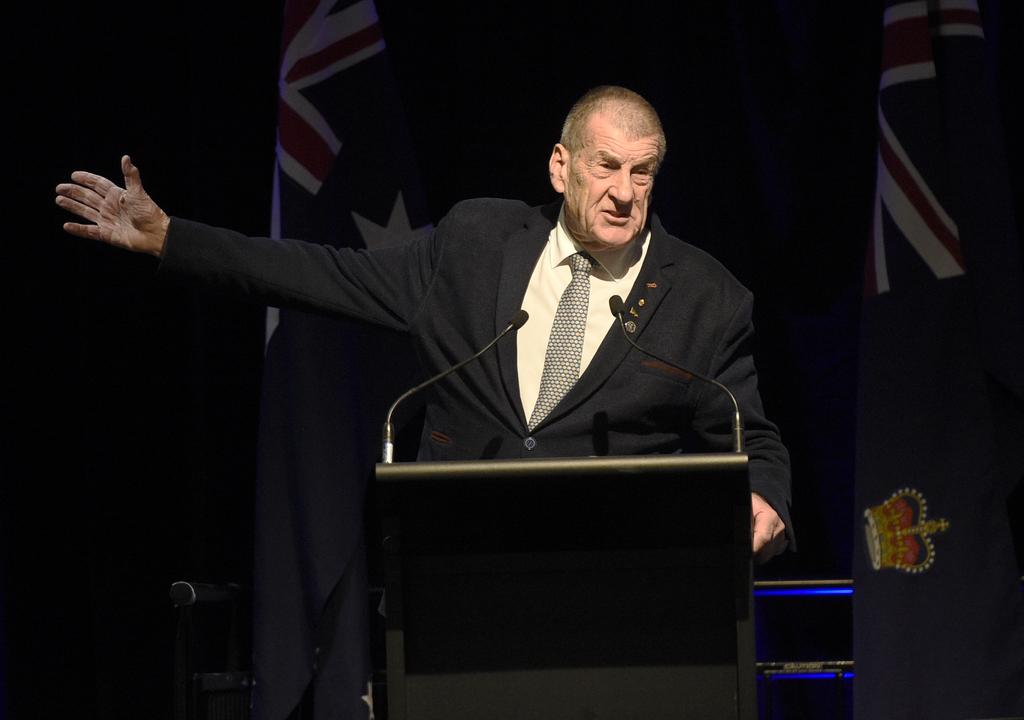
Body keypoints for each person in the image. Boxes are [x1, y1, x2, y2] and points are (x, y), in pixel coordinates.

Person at [55, 85, 791, 559]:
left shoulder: (704, 296)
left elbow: (751, 435)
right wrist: (172, 238)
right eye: (606, 167)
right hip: (455, 574)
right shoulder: (474, 245)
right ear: (560, 166)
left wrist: (766, 500)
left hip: (616, 589)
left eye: (644, 172)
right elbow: (328, 274)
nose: (626, 194)